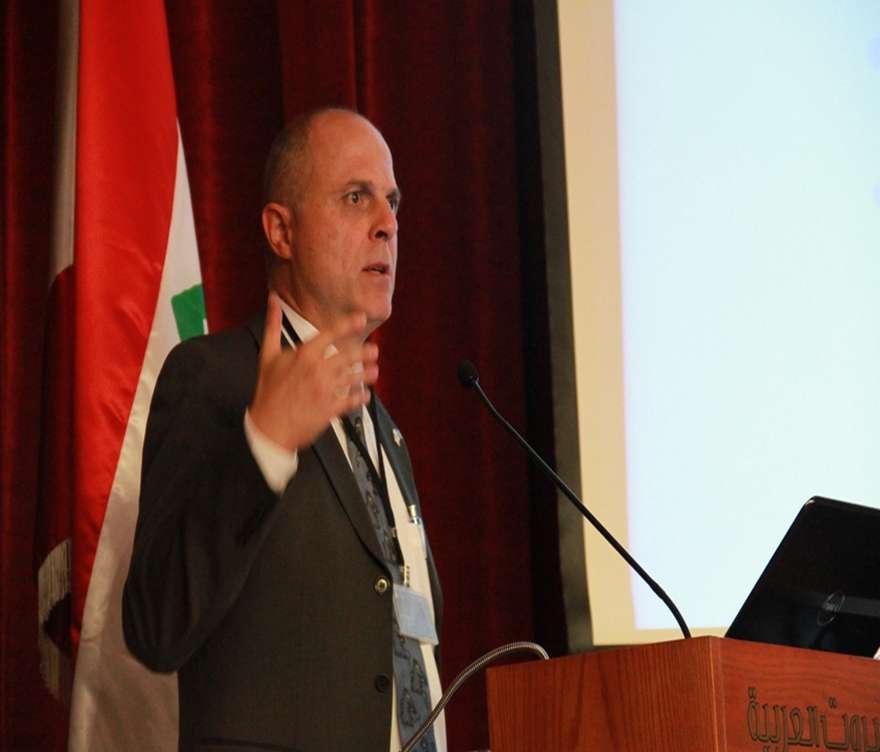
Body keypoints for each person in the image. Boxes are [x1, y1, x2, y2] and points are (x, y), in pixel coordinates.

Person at [123, 108, 444, 752]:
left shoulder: (385, 434)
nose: (387, 223)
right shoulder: (217, 377)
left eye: (392, 201)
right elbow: (154, 625)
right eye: (356, 197)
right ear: (281, 231)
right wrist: (264, 443)